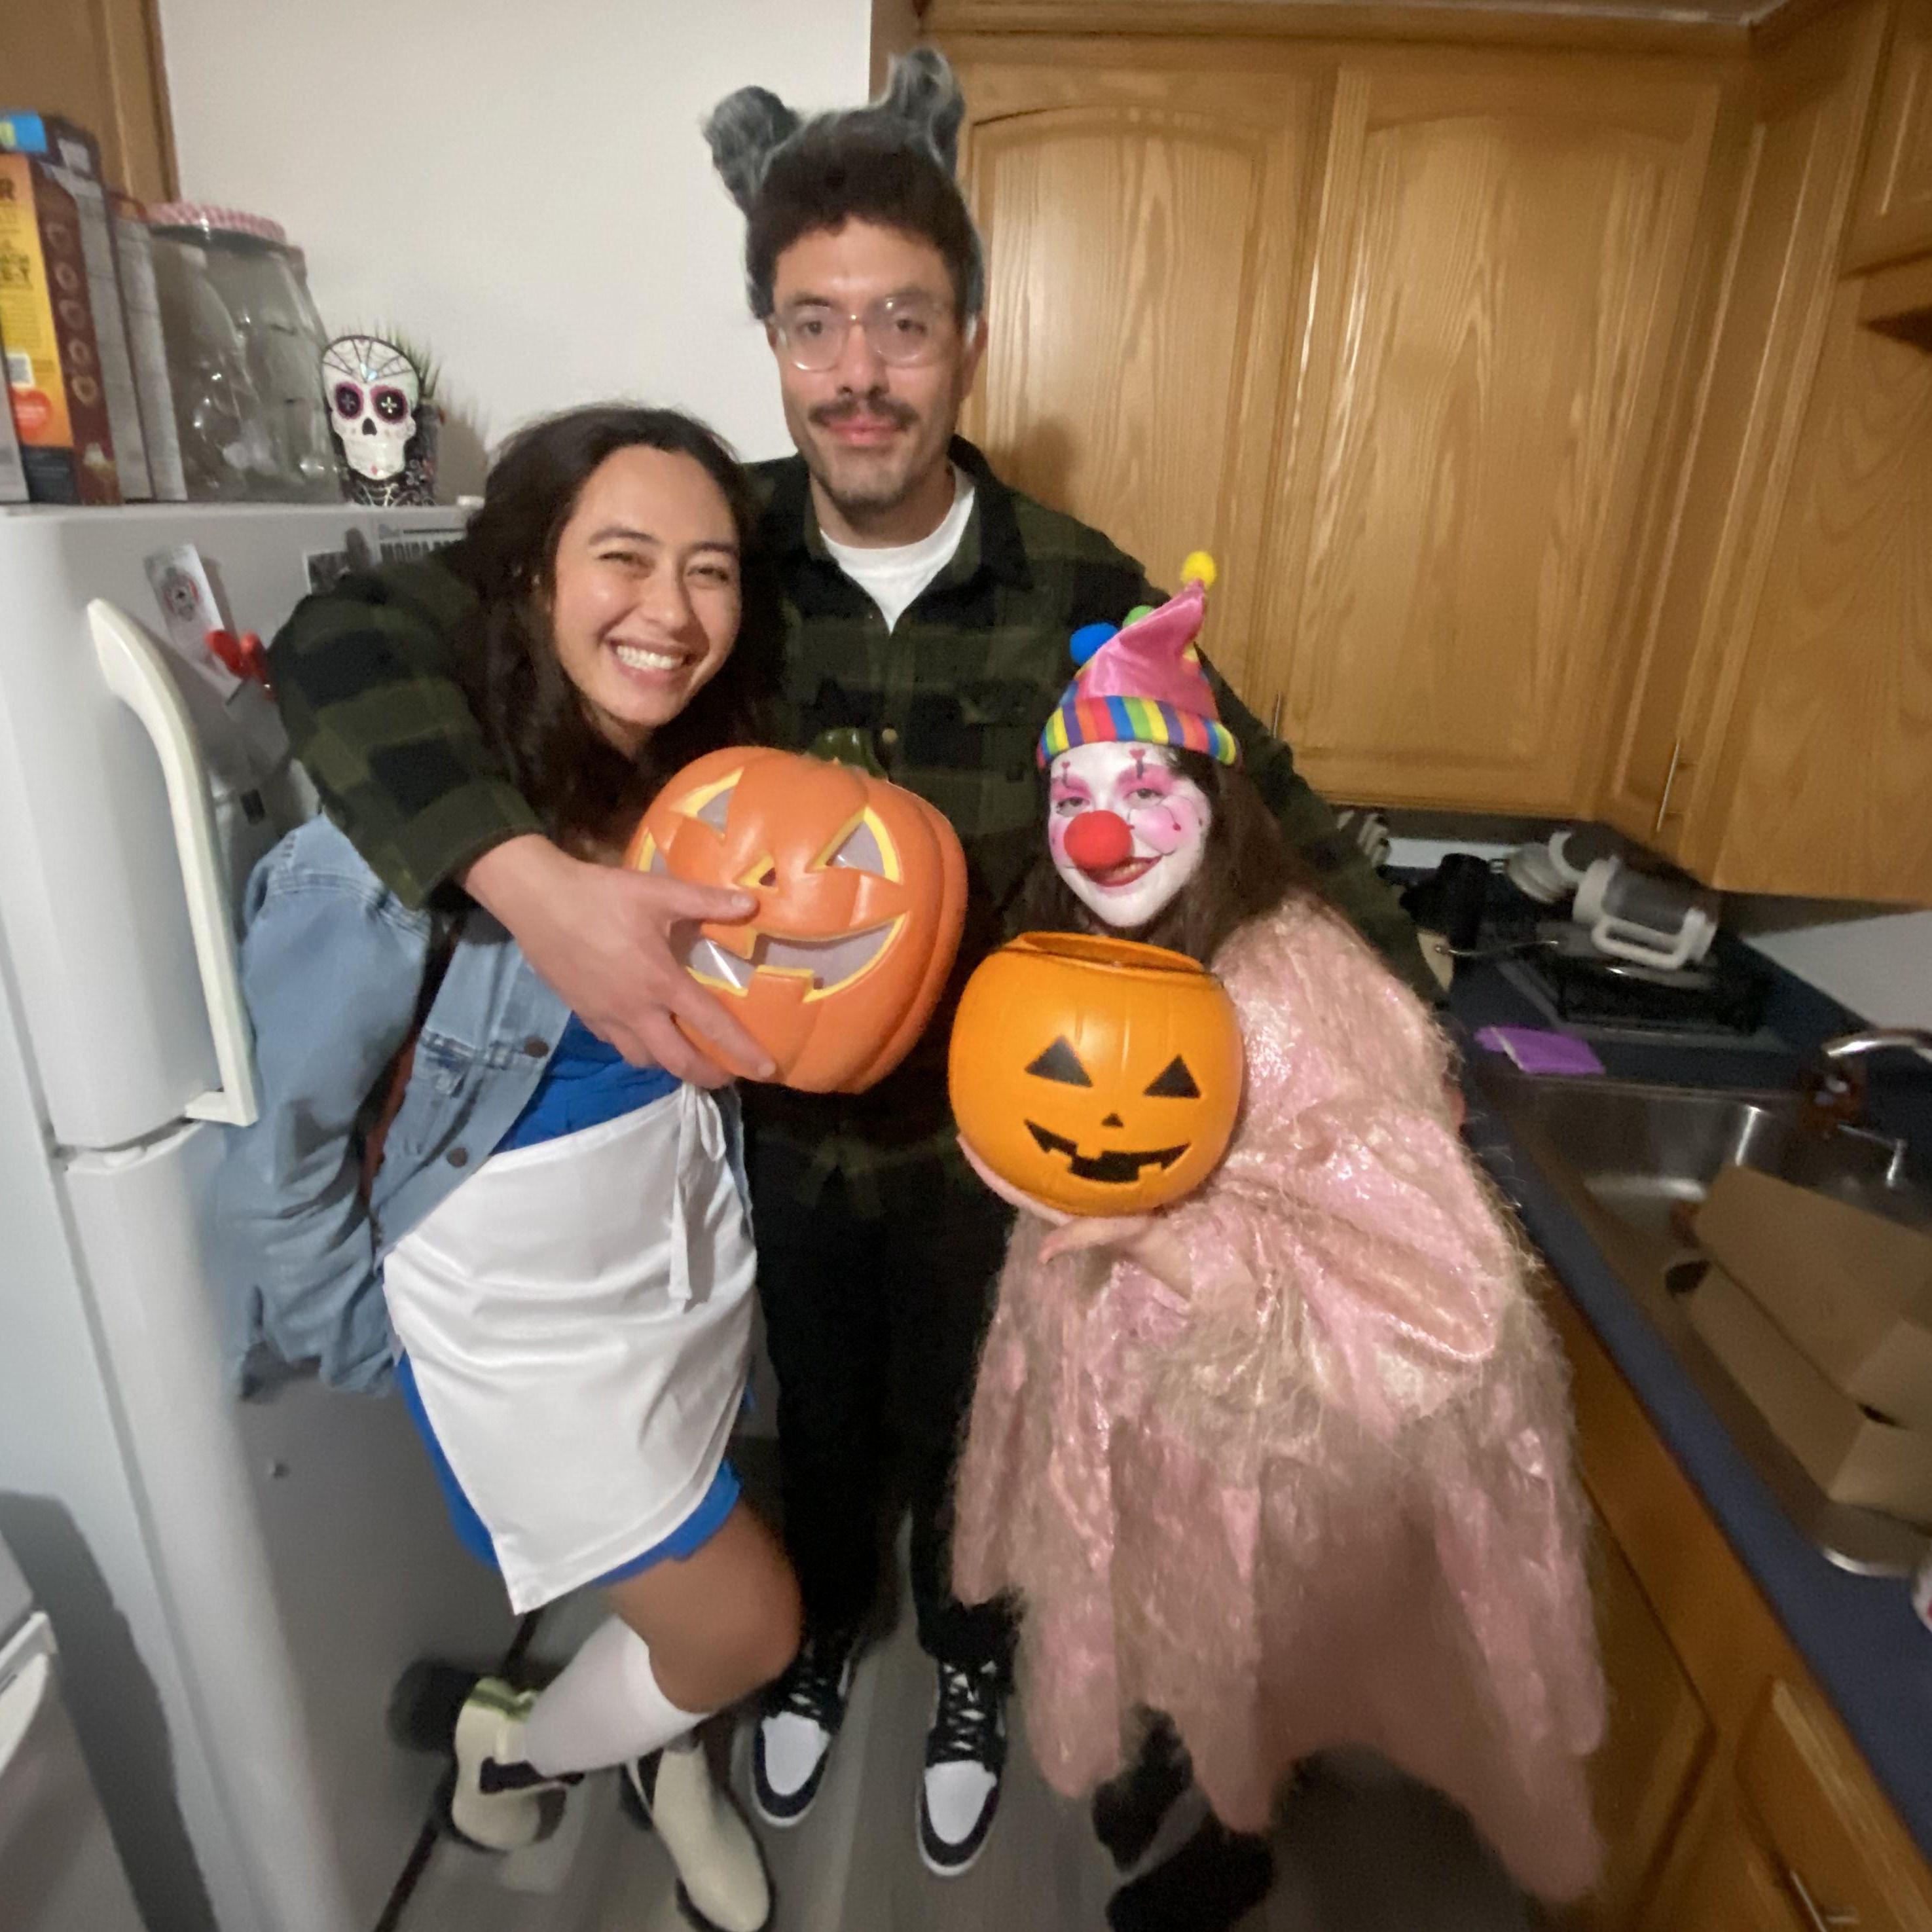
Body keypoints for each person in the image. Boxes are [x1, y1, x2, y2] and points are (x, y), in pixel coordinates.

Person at [263, 50, 1436, 1876]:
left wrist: (1409, 1043)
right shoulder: (698, 557)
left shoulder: (1079, 587)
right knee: (808, 1434)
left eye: (902, 321)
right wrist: (524, 879)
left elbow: (1263, 804)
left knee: (982, 1451)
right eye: (816, 328)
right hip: (754, 1144)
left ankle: (965, 1669)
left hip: (1006, 1145)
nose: (859, 371)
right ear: (773, 343)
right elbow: (345, 634)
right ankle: (805, 1656)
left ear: (969, 336)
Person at [949, 573, 1605, 1930]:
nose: (1104, 829)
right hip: (1128, 1391)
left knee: (1247, 1636)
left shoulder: (1297, 982)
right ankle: (1186, 1765)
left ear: (1215, 796)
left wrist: (1184, 1251)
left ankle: (1238, 1837)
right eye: (1075, 795)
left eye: (1141, 789)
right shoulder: (1084, 944)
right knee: (1165, 1607)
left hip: (1254, 1416)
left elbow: (1441, 1292)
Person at [219, 407, 799, 1932]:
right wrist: (381, 1345)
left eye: (710, 571)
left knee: (691, 1586)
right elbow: (277, 1143)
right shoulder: (398, 849)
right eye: (622, 559)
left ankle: (655, 1735)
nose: (670, 612)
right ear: (534, 576)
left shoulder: (694, 791)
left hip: (673, 1257)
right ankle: (529, 1744)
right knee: (747, 1625)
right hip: (524, 1331)